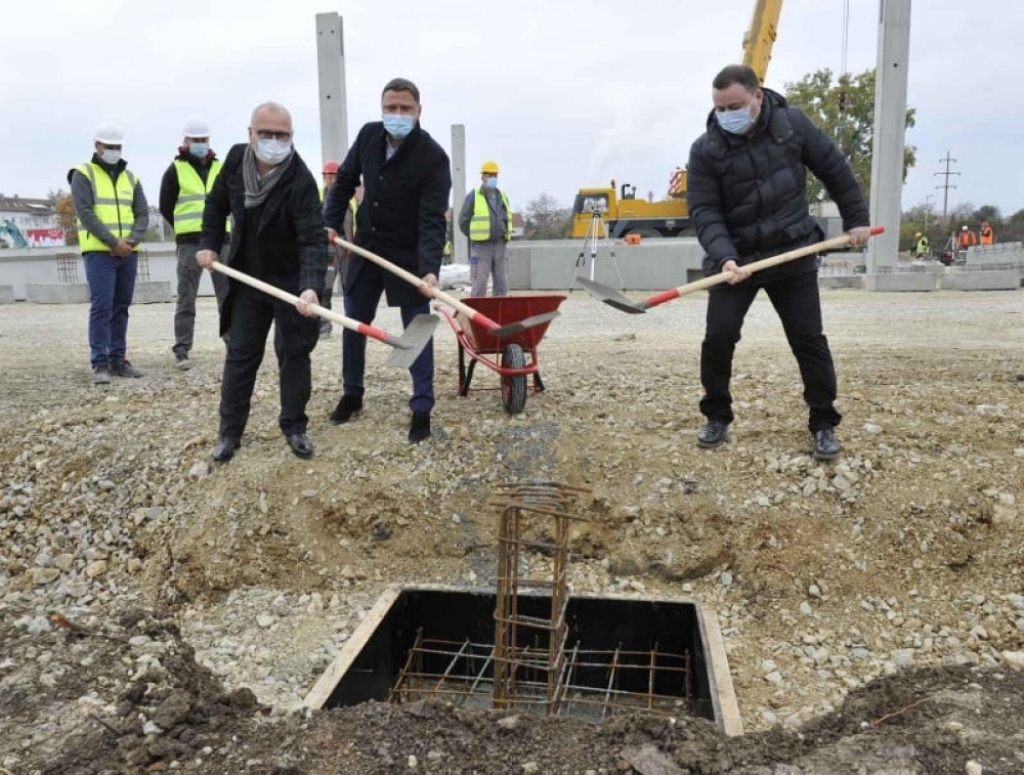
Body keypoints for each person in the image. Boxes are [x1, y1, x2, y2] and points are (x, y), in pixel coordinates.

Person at [687, 64, 871, 461]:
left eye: (733, 105)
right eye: (719, 108)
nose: (726, 115)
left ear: (757, 95)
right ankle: (717, 415)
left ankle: (823, 422)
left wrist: (856, 220)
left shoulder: (792, 125)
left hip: (793, 252)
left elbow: (835, 170)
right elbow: (704, 211)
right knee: (718, 338)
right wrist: (725, 257)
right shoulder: (706, 149)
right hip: (736, 261)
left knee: (808, 339)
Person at [196, 102, 327, 462]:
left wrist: (310, 286)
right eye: (265, 133)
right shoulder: (237, 161)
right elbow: (215, 206)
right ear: (250, 134)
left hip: (290, 281)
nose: (273, 140)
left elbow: (313, 240)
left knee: (295, 354)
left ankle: (295, 427)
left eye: (281, 135)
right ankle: (229, 432)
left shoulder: (300, 179)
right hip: (247, 277)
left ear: (291, 137)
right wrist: (209, 245)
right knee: (240, 356)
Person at [324, 77, 451, 443]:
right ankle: (352, 393)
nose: (397, 115)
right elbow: (345, 181)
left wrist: (429, 268)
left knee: (416, 331)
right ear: (382, 110)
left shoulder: (433, 157)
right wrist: (330, 222)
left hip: (408, 256)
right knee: (354, 323)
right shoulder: (368, 136)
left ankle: (422, 405)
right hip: (366, 247)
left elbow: (431, 219)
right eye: (390, 108)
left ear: (418, 112)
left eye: (405, 109)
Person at [67, 122, 149, 385]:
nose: (114, 151)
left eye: (118, 147)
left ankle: (118, 359)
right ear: (97, 146)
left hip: (127, 252)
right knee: (102, 307)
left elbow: (142, 213)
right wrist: (113, 241)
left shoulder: (131, 178)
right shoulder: (83, 174)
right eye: (109, 146)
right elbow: (86, 212)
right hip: (100, 252)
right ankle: (100, 362)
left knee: (121, 307)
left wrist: (132, 240)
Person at [159, 116, 229, 370]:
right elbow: (167, 206)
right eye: (195, 140)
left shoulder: (221, 167)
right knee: (186, 297)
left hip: (222, 240)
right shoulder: (175, 169)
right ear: (185, 141)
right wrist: (184, 229)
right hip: (190, 242)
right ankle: (182, 349)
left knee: (228, 296)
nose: (200, 144)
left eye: (203, 140)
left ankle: (233, 344)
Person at [458, 160, 513, 296]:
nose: (493, 178)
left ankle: (499, 312)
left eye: (495, 175)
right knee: (480, 281)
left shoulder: (503, 196)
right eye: (489, 175)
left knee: (501, 282)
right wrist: (474, 236)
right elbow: (463, 220)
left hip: (500, 244)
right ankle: (476, 312)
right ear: (482, 177)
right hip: (481, 246)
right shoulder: (474, 196)